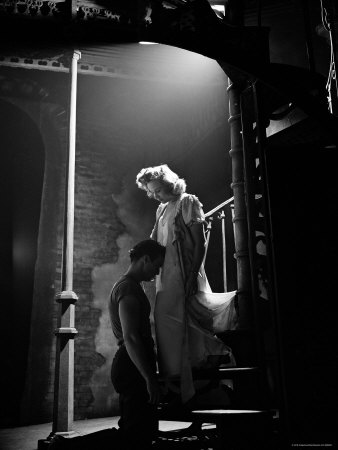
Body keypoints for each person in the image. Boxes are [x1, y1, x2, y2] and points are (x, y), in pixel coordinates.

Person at [136, 164, 236, 405]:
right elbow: (154, 242)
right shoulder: (161, 209)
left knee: (189, 326)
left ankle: (203, 385)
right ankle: (178, 391)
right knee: (165, 326)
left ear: (169, 184)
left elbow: (199, 243)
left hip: (184, 273)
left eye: (157, 190)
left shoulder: (187, 202)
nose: (154, 196)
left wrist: (192, 275)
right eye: (150, 192)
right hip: (164, 278)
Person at [109, 239, 166, 450]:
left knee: (142, 432)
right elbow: (131, 337)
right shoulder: (128, 289)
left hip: (133, 365)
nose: (158, 272)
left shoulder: (132, 287)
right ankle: (66, 447)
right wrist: (149, 377)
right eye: (157, 266)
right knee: (133, 436)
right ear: (145, 259)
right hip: (131, 367)